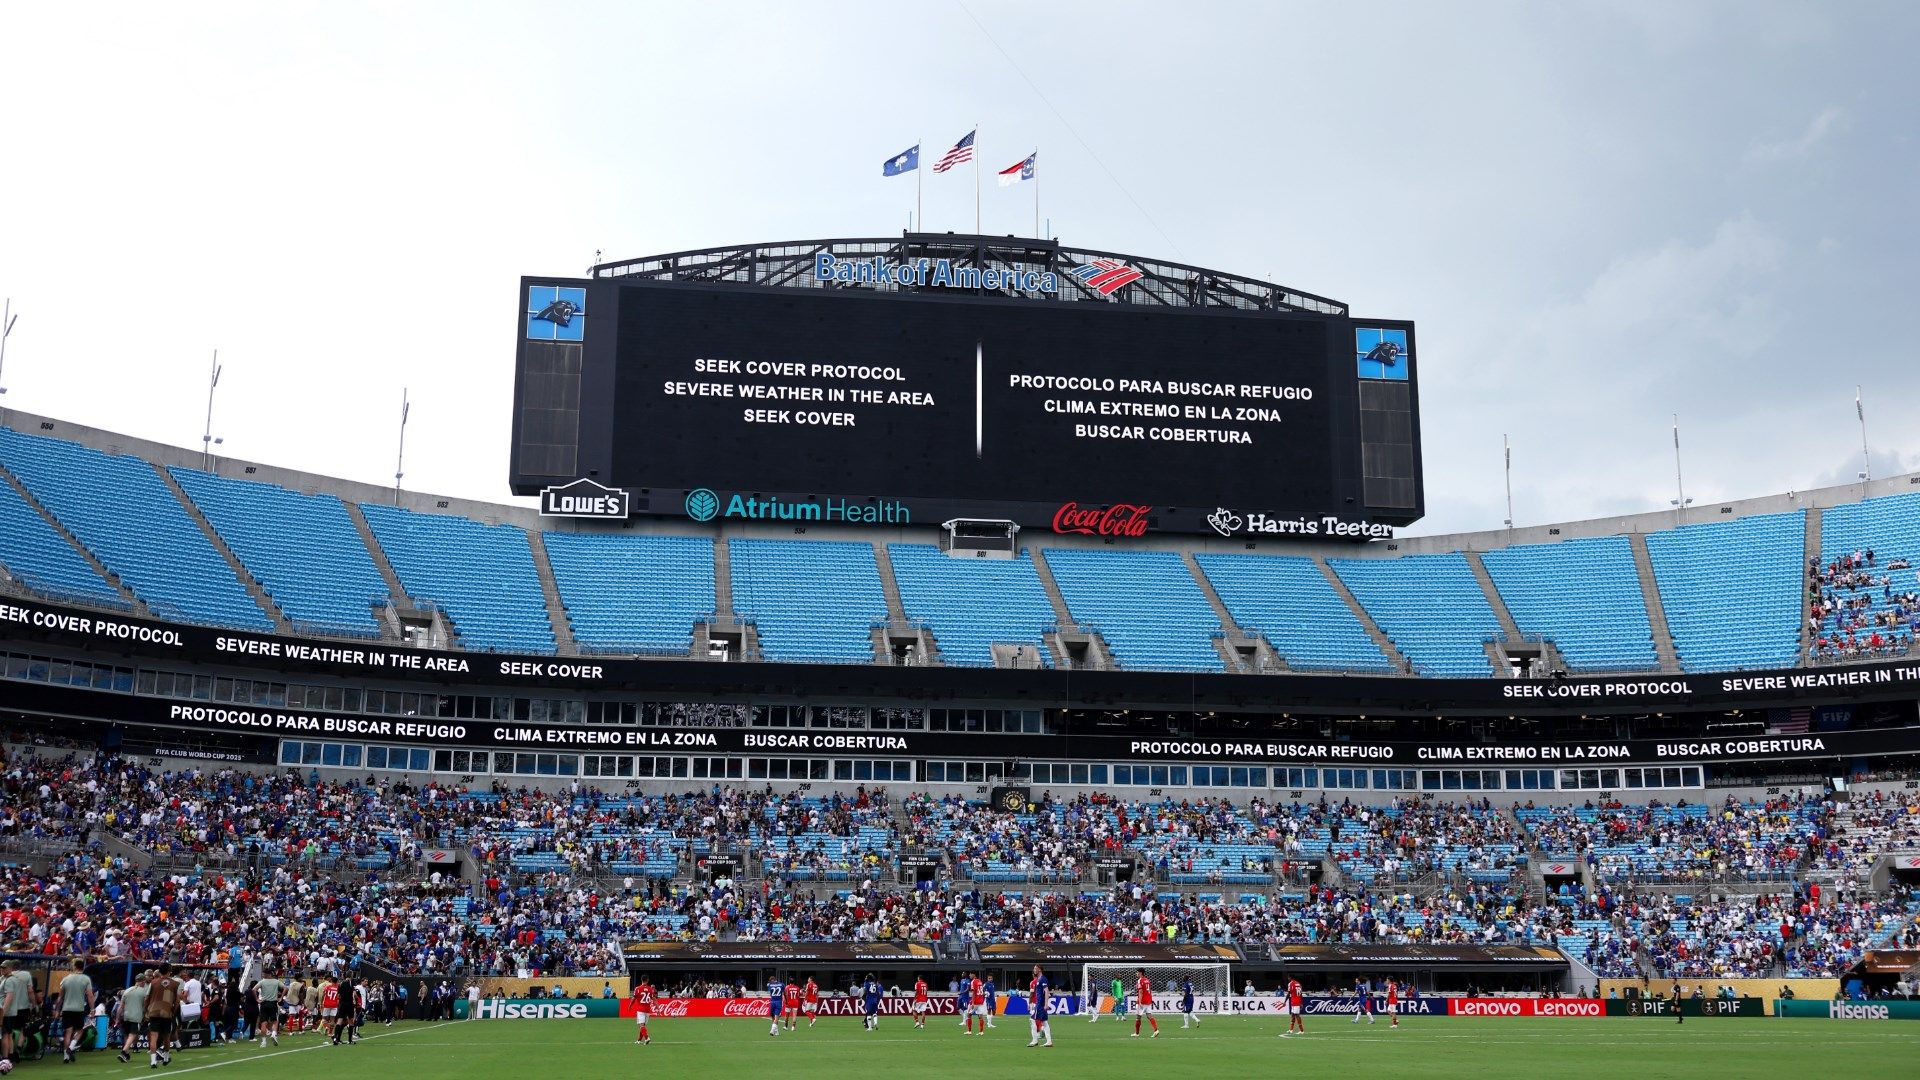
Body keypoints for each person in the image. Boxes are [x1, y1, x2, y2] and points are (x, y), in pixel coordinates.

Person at [59, 959, 96, 1065]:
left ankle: (66, 1056)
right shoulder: (85, 979)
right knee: (79, 1030)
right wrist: (92, 1009)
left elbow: (60, 997)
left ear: (74, 966)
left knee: (68, 1032)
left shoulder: (66, 979)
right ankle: (71, 1047)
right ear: (82, 967)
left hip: (66, 1009)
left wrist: (56, 1009)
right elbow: (90, 995)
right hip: (79, 1009)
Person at [147, 964, 181, 1068]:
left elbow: (147, 998)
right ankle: (166, 1058)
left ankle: (153, 1061)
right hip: (167, 1013)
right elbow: (177, 1001)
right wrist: (173, 1012)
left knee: (154, 1037)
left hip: (153, 1012)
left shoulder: (153, 983)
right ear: (169, 971)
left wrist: (146, 1010)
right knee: (166, 1036)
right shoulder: (175, 983)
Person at [118, 972, 150, 1064]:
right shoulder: (144, 992)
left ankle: (126, 1053)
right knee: (133, 1035)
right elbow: (145, 1006)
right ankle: (124, 1052)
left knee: (126, 1035)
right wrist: (145, 1015)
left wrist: (117, 1018)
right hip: (136, 1016)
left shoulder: (127, 990)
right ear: (143, 981)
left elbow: (121, 1006)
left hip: (126, 1016)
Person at [254, 970, 283, 1048]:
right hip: (273, 1003)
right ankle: (273, 1033)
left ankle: (263, 1042)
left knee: (263, 1023)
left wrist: (257, 999)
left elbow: (254, 989)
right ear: (271, 974)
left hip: (264, 1003)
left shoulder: (262, 982)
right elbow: (285, 988)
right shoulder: (276, 981)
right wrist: (281, 997)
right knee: (275, 1021)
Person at [1026, 966, 1053, 1048]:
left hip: (1040, 1004)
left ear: (1040, 970)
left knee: (1032, 1020)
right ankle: (1049, 1041)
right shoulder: (1039, 979)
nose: (1034, 970)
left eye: (1035, 968)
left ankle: (1035, 1041)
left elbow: (1046, 991)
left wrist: (1045, 1004)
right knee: (1044, 1022)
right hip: (1040, 1004)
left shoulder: (1042, 979)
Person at [1131, 968, 1159, 1038]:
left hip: (1142, 1001)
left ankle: (1137, 1033)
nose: (1136, 974)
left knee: (1138, 1017)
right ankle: (1156, 1030)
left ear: (1140, 973)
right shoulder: (1147, 980)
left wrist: (1140, 1001)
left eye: (1137, 972)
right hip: (1148, 1000)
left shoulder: (1140, 980)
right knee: (1149, 1016)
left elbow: (1140, 992)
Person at [630, 978, 654, 1046]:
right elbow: (654, 999)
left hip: (640, 1010)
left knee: (641, 1025)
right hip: (647, 1010)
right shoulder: (650, 989)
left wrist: (630, 1006)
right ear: (647, 980)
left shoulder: (638, 988)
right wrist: (658, 1008)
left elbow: (633, 998)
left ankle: (647, 1038)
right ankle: (639, 1040)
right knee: (643, 1026)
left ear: (641, 980)